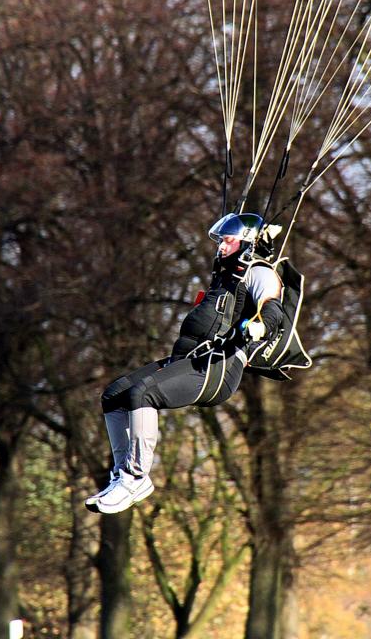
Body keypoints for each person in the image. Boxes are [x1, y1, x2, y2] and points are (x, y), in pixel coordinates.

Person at [86, 212, 286, 514]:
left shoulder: (259, 272)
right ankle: (121, 475)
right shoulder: (227, 276)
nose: (220, 247)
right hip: (191, 359)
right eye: (219, 241)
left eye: (227, 240)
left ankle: (135, 478)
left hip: (217, 367)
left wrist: (259, 327)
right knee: (115, 394)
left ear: (247, 243)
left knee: (143, 393)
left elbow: (273, 310)